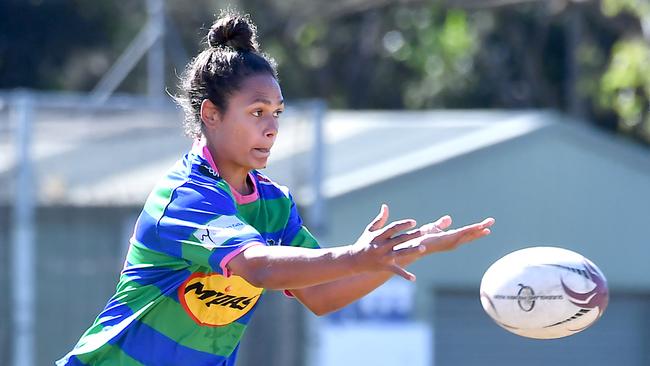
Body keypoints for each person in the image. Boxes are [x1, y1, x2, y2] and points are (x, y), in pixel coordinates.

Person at [57, 10, 494, 366]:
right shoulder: (185, 198)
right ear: (211, 114)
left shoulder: (272, 204)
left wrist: (400, 253)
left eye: (278, 114)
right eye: (257, 112)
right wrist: (356, 254)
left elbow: (321, 296)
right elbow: (260, 268)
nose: (271, 129)